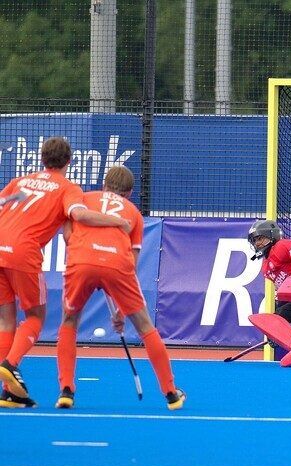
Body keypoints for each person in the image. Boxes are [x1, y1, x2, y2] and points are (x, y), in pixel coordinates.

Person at [0, 137, 131, 408]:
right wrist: (118, 221)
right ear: (69, 161)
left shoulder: (20, 182)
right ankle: (10, 365)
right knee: (36, 317)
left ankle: (8, 391)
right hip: (24, 252)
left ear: (41, 158)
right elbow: (81, 217)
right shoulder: (68, 189)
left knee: (5, 322)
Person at [56, 165, 185, 410]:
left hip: (81, 261)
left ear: (105, 185)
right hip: (118, 265)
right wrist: (121, 312)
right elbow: (131, 265)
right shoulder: (134, 213)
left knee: (69, 321)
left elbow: (67, 231)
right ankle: (171, 393)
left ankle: (66, 390)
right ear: (129, 192)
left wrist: (83, 252)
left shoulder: (84, 198)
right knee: (146, 326)